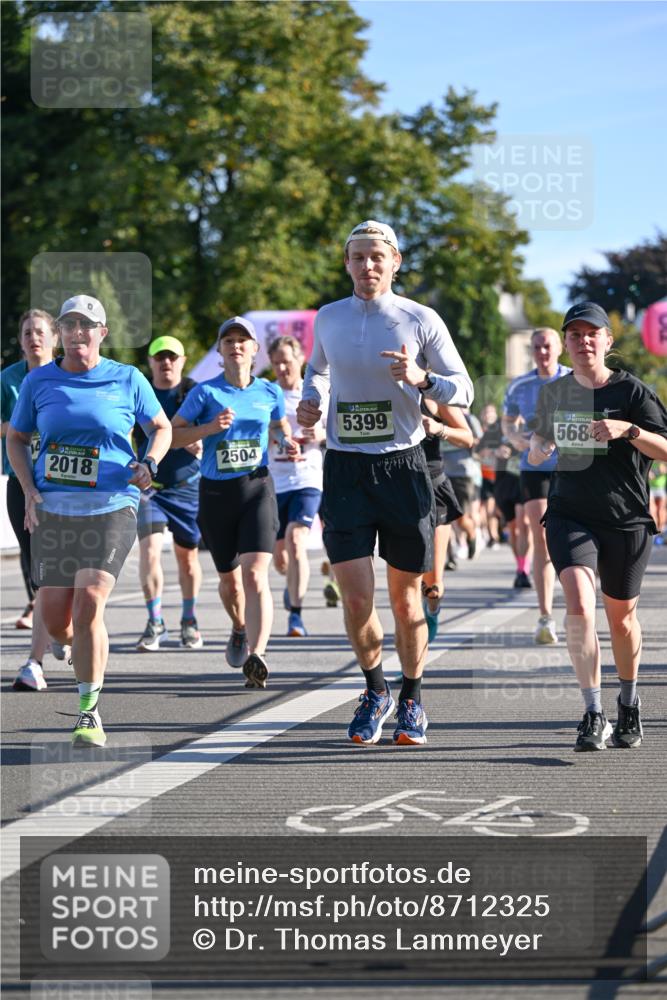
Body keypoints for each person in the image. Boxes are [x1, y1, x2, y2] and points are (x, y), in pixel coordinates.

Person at [297, 219, 473, 746]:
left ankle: (413, 697)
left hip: (404, 468)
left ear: (395, 262)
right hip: (346, 469)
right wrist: (313, 403)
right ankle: (376, 690)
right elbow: (318, 373)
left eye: (377, 256)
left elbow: (461, 388)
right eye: (358, 257)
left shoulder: (420, 319)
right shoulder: (327, 317)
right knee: (355, 600)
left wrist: (421, 379)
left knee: (405, 601)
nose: (367, 266)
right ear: (346, 263)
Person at [7, 295, 171, 746]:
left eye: (88, 325)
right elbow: (17, 439)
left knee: (90, 600)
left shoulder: (127, 378)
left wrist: (150, 463)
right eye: (70, 324)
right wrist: (28, 488)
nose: (78, 332)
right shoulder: (40, 381)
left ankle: (88, 710)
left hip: (113, 504)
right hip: (54, 508)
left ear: (103, 333)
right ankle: (71, 644)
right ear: (60, 332)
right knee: (59, 619)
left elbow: (162, 426)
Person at [529, 301, 667, 751]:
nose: (583, 341)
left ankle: (628, 702)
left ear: (608, 341)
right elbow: (537, 443)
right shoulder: (554, 393)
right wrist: (536, 447)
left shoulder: (634, 393)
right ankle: (592, 711)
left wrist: (628, 430)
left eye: (593, 334)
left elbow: (664, 449)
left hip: (625, 519)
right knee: (580, 606)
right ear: (566, 344)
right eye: (575, 334)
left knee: (621, 618)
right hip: (570, 513)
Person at [171, 316, 298, 689]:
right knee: (230, 581)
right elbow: (173, 435)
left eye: (243, 340)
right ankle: (240, 627)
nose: (236, 345)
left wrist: (286, 443)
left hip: (257, 487)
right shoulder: (204, 394)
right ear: (220, 351)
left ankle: (257, 654)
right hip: (215, 493)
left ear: (255, 350)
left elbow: (278, 427)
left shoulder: (270, 392)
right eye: (229, 340)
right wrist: (209, 428)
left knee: (256, 573)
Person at [1, 309, 71, 690]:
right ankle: (56, 632)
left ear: (54, 338)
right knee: (37, 567)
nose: (33, 338)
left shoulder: (68, 375)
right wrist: (17, 428)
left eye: (40, 331)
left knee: (58, 570)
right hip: (22, 481)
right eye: (26, 332)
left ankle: (37, 657)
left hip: (66, 485)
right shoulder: (10, 379)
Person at [134, 335, 204, 651]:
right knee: (149, 552)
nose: (166, 363)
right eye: (159, 357)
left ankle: (189, 620)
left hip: (187, 487)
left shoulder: (192, 391)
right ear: (150, 362)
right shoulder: (141, 392)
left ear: (182, 360)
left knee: (186, 559)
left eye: (172, 357)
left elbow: (208, 433)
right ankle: (155, 621)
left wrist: (196, 441)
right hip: (152, 488)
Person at [503, 328, 571, 643]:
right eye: (537, 348)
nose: (542, 352)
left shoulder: (575, 378)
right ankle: (545, 617)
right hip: (535, 468)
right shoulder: (521, 385)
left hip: (573, 468)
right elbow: (508, 420)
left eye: (547, 346)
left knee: (574, 537)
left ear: (559, 348)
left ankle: (578, 607)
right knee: (542, 537)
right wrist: (517, 440)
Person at [268, 335, 326, 638]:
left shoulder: (315, 393)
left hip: (307, 479)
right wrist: (277, 437)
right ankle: (292, 586)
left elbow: (333, 432)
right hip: (274, 482)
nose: (281, 367)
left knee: (296, 539)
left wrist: (319, 434)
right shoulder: (268, 394)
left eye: (286, 361)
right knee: (281, 559)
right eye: (276, 362)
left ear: (300, 360)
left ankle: (296, 615)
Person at [419, 400, 470, 641]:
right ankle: (414, 654)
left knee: (432, 586)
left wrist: (439, 429)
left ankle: (432, 610)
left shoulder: (434, 395)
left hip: (434, 488)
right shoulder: (382, 386)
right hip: (397, 490)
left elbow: (467, 437)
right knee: (408, 583)